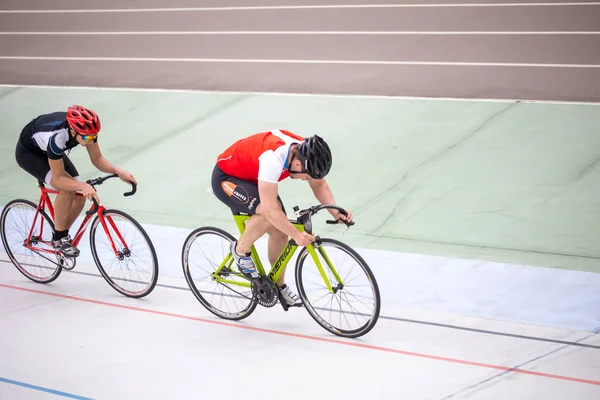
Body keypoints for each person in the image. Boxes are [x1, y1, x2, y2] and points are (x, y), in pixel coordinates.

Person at [210, 129, 353, 307]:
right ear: (299, 163)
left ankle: (279, 287)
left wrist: (335, 211)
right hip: (228, 177)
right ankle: (240, 251)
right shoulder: (273, 159)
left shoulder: (303, 151)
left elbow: (319, 184)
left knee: (281, 234)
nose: (305, 179)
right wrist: (297, 235)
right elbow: (270, 211)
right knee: (268, 213)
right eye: (306, 175)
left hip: (255, 176)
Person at [15, 105, 137, 258]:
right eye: (86, 138)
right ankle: (58, 240)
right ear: (73, 131)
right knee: (68, 188)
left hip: (48, 148)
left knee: (79, 195)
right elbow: (58, 179)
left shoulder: (87, 132)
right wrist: (81, 185)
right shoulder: (57, 137)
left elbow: (97, 159)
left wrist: (118, 171)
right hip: (29, 153)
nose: (90, 140)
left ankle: (62, 234)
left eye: (94, 136)